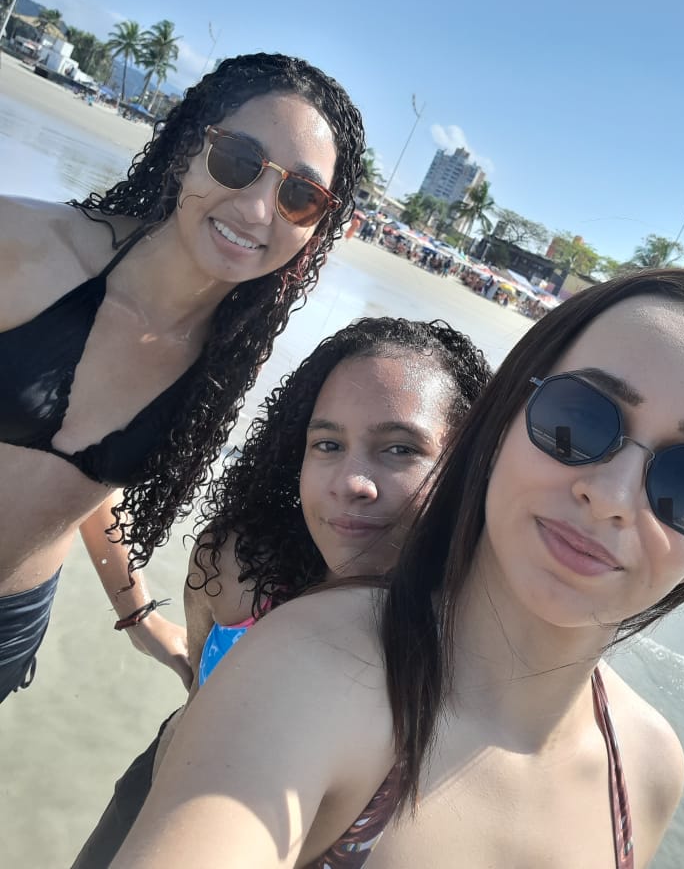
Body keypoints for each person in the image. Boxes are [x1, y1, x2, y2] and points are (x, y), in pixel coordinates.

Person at [112, 267, 684, 868]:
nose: (611, 497)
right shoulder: (314, 667)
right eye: (579, 419)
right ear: (503, 417)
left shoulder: (650, 768)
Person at [0, 52, 365, 702]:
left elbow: (80, 481)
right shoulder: (27, 246)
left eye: (299, 196)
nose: (257, 210)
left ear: (319, 227)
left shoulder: (223, 357)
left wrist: (140, 617)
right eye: (239, 160)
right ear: (189, 147)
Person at [71, 316, 491, 867]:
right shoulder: (238, 565)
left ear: (466, 466)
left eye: (399, 449)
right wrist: (142, 620)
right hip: (148, 804)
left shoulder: (477, 644)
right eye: (328, 443)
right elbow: (199, 683)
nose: (350, 482)